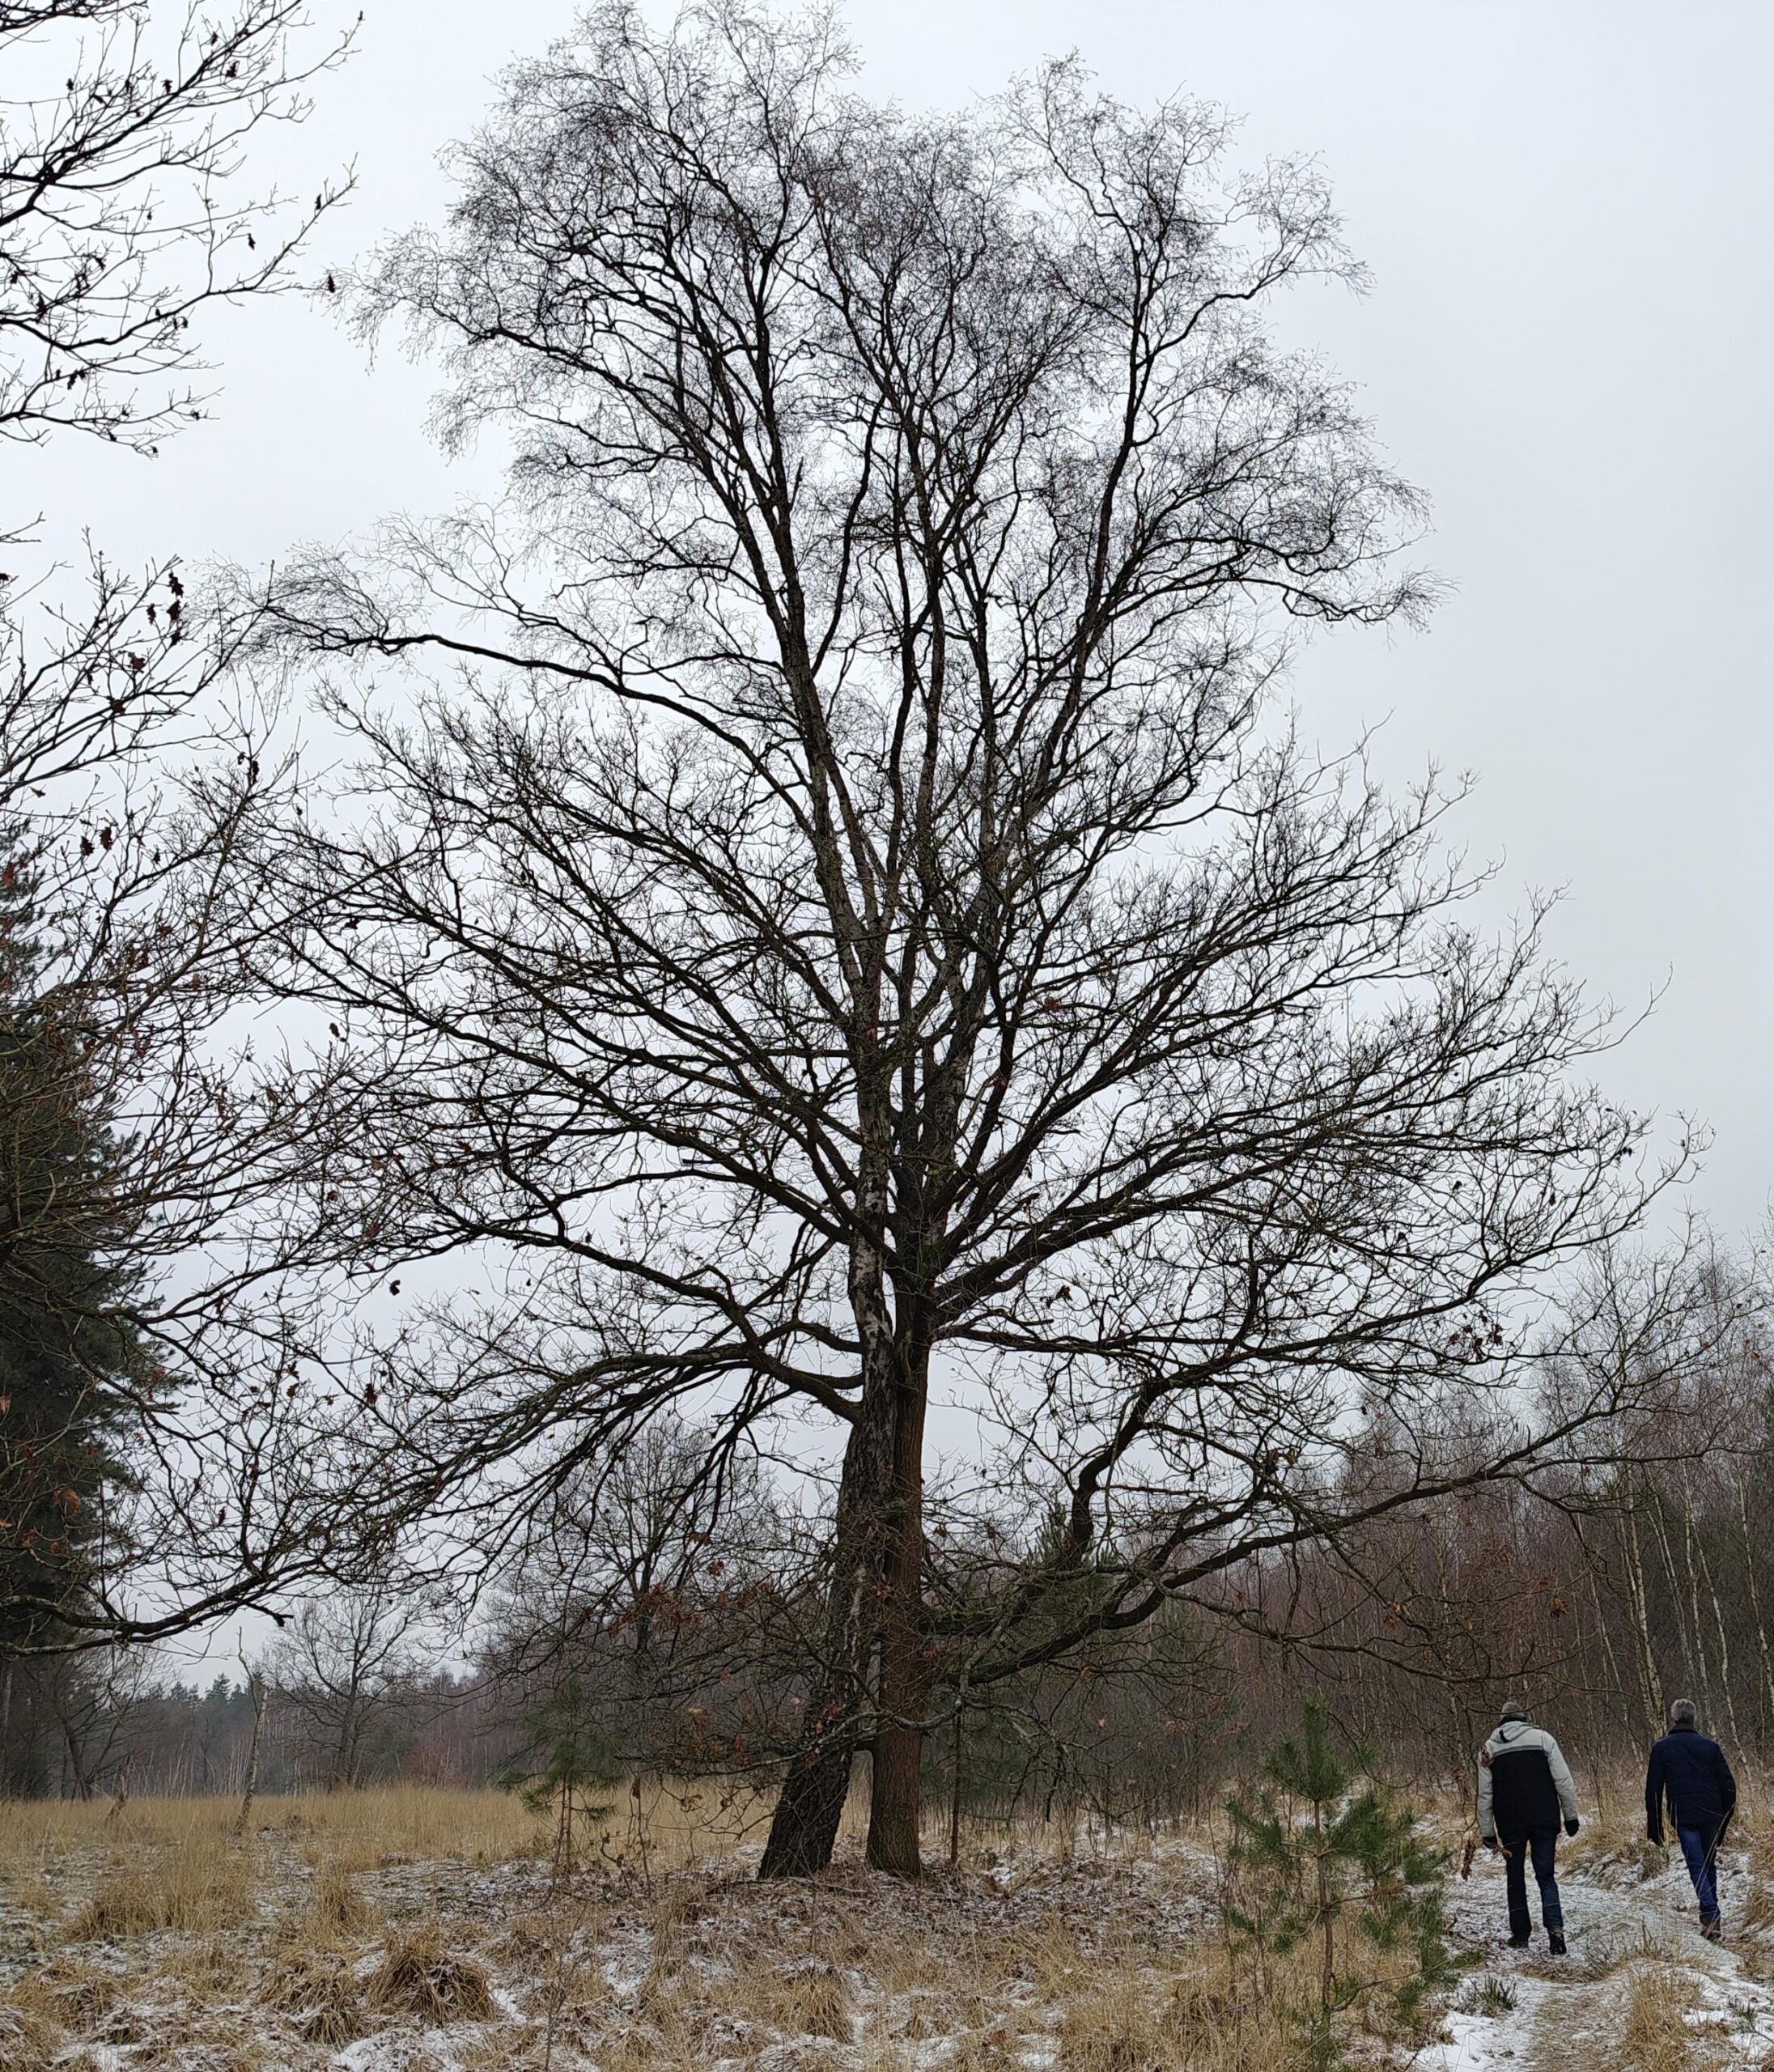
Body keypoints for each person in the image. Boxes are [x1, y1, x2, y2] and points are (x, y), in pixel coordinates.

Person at [1476, 1699, 1581, 1955]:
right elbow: (1563, 1780)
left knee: (1515, 1876)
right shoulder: (1544, 1739)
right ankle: (1555, 1931)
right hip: (1544, 1817)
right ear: (1524, 1718)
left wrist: (1487, 1831)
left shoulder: (1489, 1749)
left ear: (1501, 1720)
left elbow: (1484, 1794)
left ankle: (1521, 1934)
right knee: (1546, 1876)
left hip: (1510, 1821)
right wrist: (1570, 1816)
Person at [1645, 1697, 1738, 1941]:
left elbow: (1653, 1790)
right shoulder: (1710, 1747)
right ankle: (1711, 1915)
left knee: (1697, 1864)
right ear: (1694, 1718)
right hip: (1711, 1814)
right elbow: (1729, 1787)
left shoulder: (1662, 1748)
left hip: (1683, 1814)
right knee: (1708, 1863)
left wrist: (1655, 1827)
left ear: (1674, 1718)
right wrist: (1724, 1817)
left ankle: (1710, 1913)